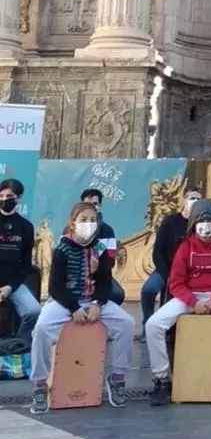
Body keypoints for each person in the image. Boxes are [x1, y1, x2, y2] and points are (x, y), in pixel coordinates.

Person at [144, 198, 211, 406]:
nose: (206, 224)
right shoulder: (185, 247)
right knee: (153, 325)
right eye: (201, 219)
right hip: (189, 296)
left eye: (210, 219)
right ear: (193, 222)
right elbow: (175, 282)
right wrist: (193, 302)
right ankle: (162, 379)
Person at [29, 201, 134, 415]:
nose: (88, 223)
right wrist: (74, 307)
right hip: (66, 301)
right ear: (73, 222)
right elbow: (55, 286)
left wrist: (97, 303)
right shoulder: (63, 248)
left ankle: (117, 378)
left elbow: (106, 283)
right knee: (41, 329)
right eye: (83, 219)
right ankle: (40, 384)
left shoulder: (100, 249)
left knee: (127, 323)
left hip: (93, 301)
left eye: (92, 220)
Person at [139, 185, 202, 340]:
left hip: (189, 272)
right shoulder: (170, 221)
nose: (195, 201)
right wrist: (166, 274)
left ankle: (170, 330)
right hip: (166, 268)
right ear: (184, 200)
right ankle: (147, 325)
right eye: (192, 198)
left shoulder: (201, 224)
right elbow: (157, 251)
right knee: (148, 290)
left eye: (198, 199)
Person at [0, 178, 40, 345]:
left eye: (8, 195)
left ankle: (17, 347)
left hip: (12, 284)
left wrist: (10, 287)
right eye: (0, 195)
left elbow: (25, 264)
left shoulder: (26, 227)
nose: (3, 199)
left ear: (18, 198)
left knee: (34, 311)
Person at [80, 187, 125, 306]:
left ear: (100, 206)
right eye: (87, 204)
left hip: (101, 274)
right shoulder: (69, 229)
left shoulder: (108, 231)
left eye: (95, 204)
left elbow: (110, 262)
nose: (91, 207)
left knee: (117, 294)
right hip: (75, 274)